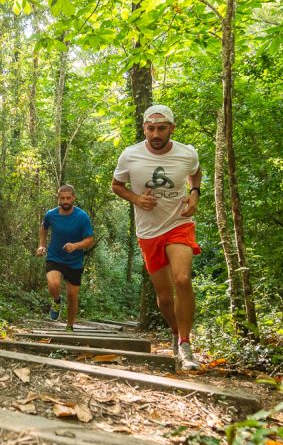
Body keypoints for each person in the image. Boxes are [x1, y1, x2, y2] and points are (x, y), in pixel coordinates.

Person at [111, 104, 203, 370]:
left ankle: (185, 345)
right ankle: (175, 331)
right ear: (144, 129)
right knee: (164, 298)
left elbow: (195, 171)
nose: (156, 134)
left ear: (172, 129)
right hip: (149, 231)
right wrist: (136, 198)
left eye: (161, 128)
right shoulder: (130, 155)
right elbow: (117, 185)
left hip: (179, 223)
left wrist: (195, 192)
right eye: (150, 128)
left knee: (182, 279)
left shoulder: (187, 153)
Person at [35, 184, 95, 331]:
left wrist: (75, 246)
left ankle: (69, 326)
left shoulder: (82, 217)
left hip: (74, 261)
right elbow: (43, 227)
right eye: (62, 198)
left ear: (73, 198)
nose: (65, 201)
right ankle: (56, 301)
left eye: (68, 198)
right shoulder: (51, 214)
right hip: (55, 257)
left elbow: (89, 240)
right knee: (53, 284)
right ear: (58, 199)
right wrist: (42, 245)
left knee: (72, 296)